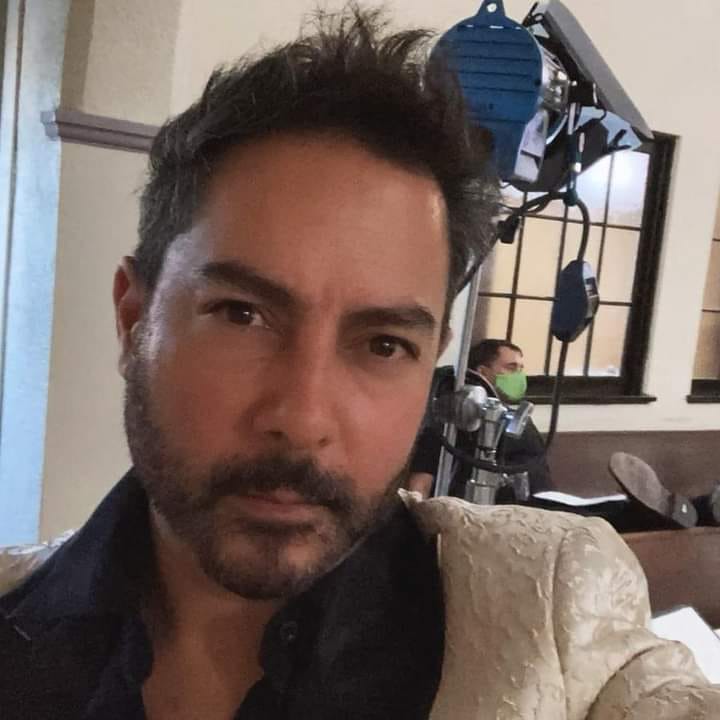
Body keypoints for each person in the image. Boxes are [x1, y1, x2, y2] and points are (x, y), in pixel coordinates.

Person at [0, 7, 718, 719]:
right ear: (134, 320)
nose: (303, 419)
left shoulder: (551, 612)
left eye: (383, 345)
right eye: (242, 314)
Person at [408, 338, 551, 499]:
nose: (518, 376)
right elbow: (420, 486)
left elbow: (541, 483)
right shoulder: (448, 423)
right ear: (482, 372)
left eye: (520, 369)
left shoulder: (521, 425)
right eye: (511, 368)